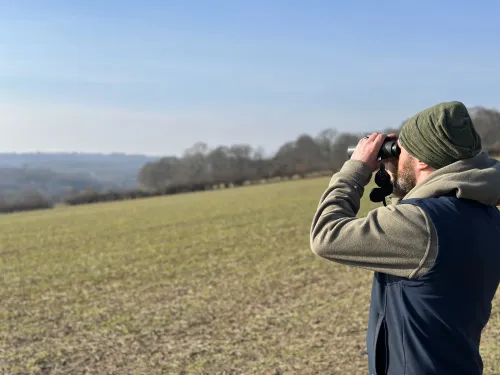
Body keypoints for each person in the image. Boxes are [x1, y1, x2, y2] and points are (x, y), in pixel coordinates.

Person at [309, 101, 500, 375]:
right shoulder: (486, 214)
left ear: (423, 160)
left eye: (403, 149)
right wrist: (402, 182)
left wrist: (355, 170)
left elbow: (326, 235)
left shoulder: (421, 224)